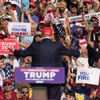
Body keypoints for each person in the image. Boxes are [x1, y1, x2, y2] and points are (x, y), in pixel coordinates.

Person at [8, 27, 80, 100]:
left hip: (38, 78)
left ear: (42, 35)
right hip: (55, 77)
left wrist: (14, 51)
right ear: (52, 35)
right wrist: (77, 52)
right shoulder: (57, 45)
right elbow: (69, 52)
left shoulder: (35, 45)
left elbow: (23, 53)